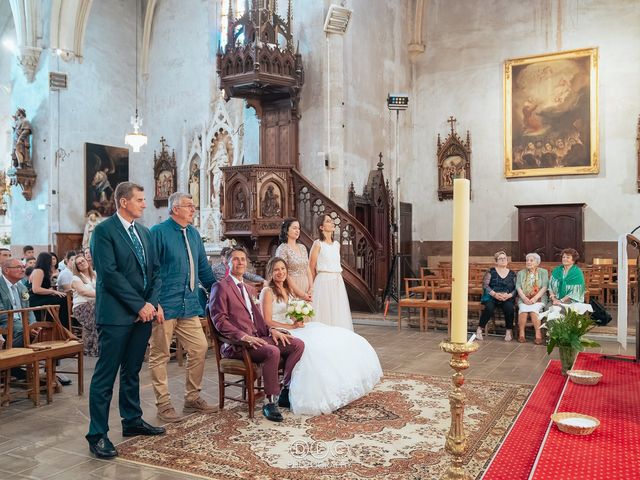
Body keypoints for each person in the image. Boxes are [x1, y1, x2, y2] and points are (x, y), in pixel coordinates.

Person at [86, 182, 165, 460]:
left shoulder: (144, 232)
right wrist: (138, 304)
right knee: (106, 376)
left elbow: (155, 271)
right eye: (140, 200)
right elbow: (109, 274)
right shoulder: (104, 232)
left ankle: (132, 420)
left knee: (132, 371)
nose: (145, 204)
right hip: (117, 315)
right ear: (123, 202)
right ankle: (97, 434)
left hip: (143, 313)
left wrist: (152, 303)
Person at [260, 257, 382, 415]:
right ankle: (287, 389)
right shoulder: (267, 291)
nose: (280, 272)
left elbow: (295, 307)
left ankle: (336, 386)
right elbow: (267, 320)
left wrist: (298, 317)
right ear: (270, 272)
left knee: (336, 338)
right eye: (276, 269)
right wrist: (291, 326)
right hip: (279, 331)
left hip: (293, 328)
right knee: (313, 349)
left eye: (283, 269)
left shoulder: (287, 288)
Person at [209, 245, 304, 422]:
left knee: (297, 344)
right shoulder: (220, 287)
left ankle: (285, 390)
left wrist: (272, 330)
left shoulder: (250, 289)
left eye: (243, 259)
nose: (240, 262)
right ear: (228, 263)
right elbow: (219, 320)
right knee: (272, 351)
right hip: (237, 345)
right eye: (236, 259)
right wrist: (243, 336)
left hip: (258, 338)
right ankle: (269, 402)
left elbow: (259, 319)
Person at [149, 193, 218, 423]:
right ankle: (164, 404)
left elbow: (203, 269)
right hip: (164, 305)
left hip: (188, 303)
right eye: (189, 206)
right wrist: (153, 301)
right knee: (159, 355)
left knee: (199, 347)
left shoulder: (194, 233)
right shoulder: (158, 232)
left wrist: (220, 291)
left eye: (193, 206)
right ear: (175, 208)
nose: (193, 210)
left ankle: (192, 397)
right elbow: (150, 270)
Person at [308, 215, 353, 330]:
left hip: (337, 281)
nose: (332, 223)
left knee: (337, 311)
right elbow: (311, 268)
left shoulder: (337, 245)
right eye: (328, 221)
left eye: (332, 221)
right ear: (321, 227)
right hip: (323, 282)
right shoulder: (317, 244)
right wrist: (311, 287)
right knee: (324, 312)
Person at [476, 251, 517, 341]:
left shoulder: (512, 274)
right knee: (489, 308)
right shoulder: (491, 271)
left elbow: (516, 288)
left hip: (506, 297)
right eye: (500, 259)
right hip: (491, 297)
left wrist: (509, 295)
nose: (503, 260)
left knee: (509, 308)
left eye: (504, 258)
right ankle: (479, 329)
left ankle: (508, 331)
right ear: (496, 261)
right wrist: (494, 294)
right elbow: (485, 285)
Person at [275, 219, 313, 300]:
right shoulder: (282, 249)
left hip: (307, 288)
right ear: (286, 230)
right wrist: (301, 294)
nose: (297, 231)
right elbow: (284, 274)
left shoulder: (302, 247)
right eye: (294, 228)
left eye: (298, 228)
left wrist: (311, 288)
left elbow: (307, 268)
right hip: (291, 288)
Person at [28, 252, 69, 327]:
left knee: (63, 297)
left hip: (42, 297)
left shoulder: (44, 271)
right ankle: (63, 326)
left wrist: (56, 292)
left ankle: (62, 326)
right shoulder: (39, 271)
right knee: (63, 300)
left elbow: (46, 287)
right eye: (50, 260)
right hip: (36, 299)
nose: (52, 262)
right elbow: (36, 289)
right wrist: (53, 291)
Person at [515, 253, 548, 344]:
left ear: (537, 262)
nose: (528, 262)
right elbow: (518, 287)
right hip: (524, 297)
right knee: (523, 310)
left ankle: (538, 334)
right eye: (527, 260)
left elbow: (544, 287)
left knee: (534, 311)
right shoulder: (521, 273)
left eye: (531, 260)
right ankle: (521, 333)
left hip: (539, 298)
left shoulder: (543, 272)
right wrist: (524, 298)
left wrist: (534, 299)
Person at [71, 254, 98, 356]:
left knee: (100, 312)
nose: (82, 263)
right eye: (79, 263)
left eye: (83, 261)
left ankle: (90, 348)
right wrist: (102, 295)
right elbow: (84, 292)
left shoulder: (95, 275)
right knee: (98, 315)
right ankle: (94, 349)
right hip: (81, 307)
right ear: (77, 267)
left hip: (94, 305)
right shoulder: (76, 278)